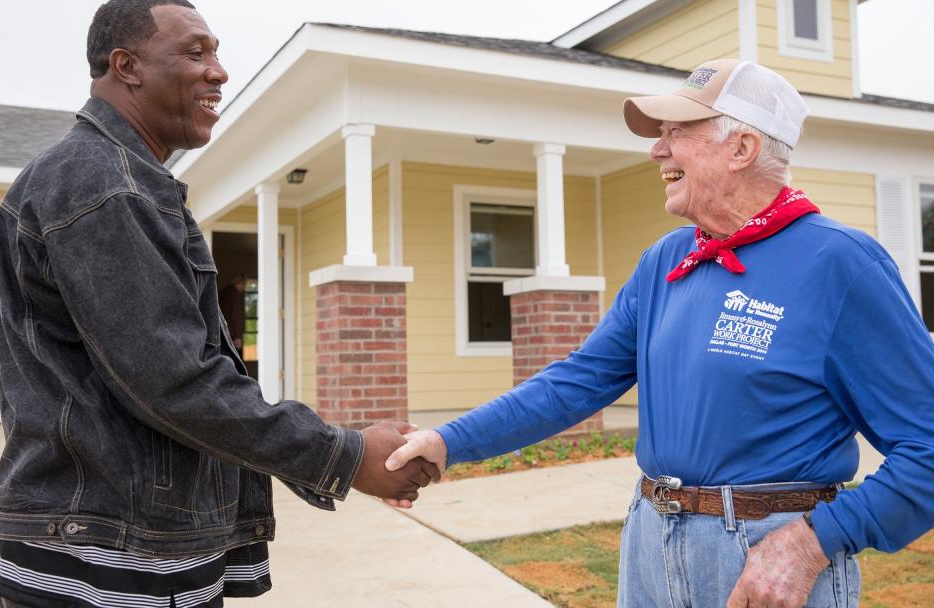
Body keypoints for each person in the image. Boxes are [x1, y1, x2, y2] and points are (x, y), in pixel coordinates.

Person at [387, 59, 934, 607]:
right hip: (651, 540)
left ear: (741, 148)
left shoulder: (841, 262)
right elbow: (578, 381)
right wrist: (448, 441)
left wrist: (814, 542)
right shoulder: (666, 261)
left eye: (678, 132)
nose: (657, 149)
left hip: (766, 559)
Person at [0, 0, 437, 608]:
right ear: (127, 66)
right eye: (195, 52)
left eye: (217, 54)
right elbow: (175, 380)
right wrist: (344, 454)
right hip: (104, 563)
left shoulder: (123, 179)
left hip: (116, 546)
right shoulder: (105, 184)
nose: (218, 71)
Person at [218, 273, 246, 350]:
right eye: (244, 284)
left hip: (222, 331)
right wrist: (238, 336)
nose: (244, 288)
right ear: (240, 283)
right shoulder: (236, 295)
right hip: (233, 335)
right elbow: (236, 316)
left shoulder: (223, 293)